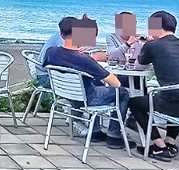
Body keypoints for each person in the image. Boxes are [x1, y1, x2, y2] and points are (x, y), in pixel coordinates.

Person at [41, 16, 130, 150]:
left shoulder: (51, 52)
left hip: (67, 95)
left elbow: (63, 60)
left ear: (61, 34)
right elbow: (116, 83)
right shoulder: (84, 60)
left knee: (96, 82)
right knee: (123, 92)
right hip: (86, 98)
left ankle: (96, 131)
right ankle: (114, 135)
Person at [126, 11, 179, 160]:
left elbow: (138, 67)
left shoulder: (152, 45)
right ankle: (170, 142)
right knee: (176, 91)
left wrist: (147, 46)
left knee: (135, 103)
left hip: (173, 101)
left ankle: (159, 146)